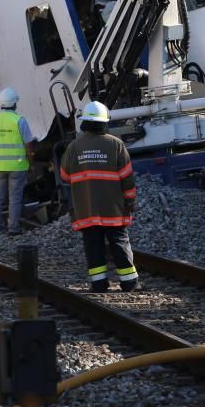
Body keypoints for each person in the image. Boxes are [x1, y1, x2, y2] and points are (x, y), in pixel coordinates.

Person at [59, 101, 139, 292]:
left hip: (86, 208)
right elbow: (127, 178)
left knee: (93, 244)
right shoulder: (116, 145)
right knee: (119, 242)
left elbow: (64, 176)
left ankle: (99, 283)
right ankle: (129, 282)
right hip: (113, 207)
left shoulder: (74, 147)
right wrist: (130, 201)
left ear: (84, 122)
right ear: (104, 123)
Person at [0, 87, 36, 237]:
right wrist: (31, 163)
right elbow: (28, 144)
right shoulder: (19, 120)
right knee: (15, 197)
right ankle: (13, 228)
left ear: (0, 104)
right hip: (17, 165)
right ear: (15, 104)